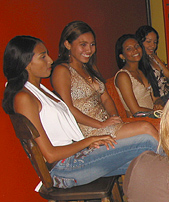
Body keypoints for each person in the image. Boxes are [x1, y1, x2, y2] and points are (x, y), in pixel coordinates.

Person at [2, 35, 158, 189]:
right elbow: (50, 155)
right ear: (25, 63)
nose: (50, 60)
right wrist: (89, 141)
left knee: (145, 160)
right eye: (43, 57)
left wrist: (88, 143)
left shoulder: (40, 91)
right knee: (147, 141)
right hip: (65, 169)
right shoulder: (24, 97)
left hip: (77, 159)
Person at [51, 21, 158, 141]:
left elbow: (106, 98)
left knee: (147, 135)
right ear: (67, 44)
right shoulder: (62, 70)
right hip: (89, 131)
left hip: (107, 124)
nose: (89, 50)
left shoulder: (90, 67)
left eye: (92, 44)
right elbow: (68, 108)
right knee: (146, 128)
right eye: (83, 44)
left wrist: (113, 117)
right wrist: (100, 125)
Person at [114, 34, 160, 117]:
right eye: (129, 49)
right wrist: (157, 113)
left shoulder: (142, 70)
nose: (135, 50)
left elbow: (155, 98)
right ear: (122, 56)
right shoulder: (123, 76)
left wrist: (159, 105)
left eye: (137, 46)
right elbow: (135, 110)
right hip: (139, 120)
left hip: (153, 116)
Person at [135, 25, 169, 105]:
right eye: (148, 42)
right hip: (160, 100)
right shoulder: (137, 62)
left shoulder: (153, 56)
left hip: (168, 94)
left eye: (155, 42)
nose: (152, 46)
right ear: (140, 42)